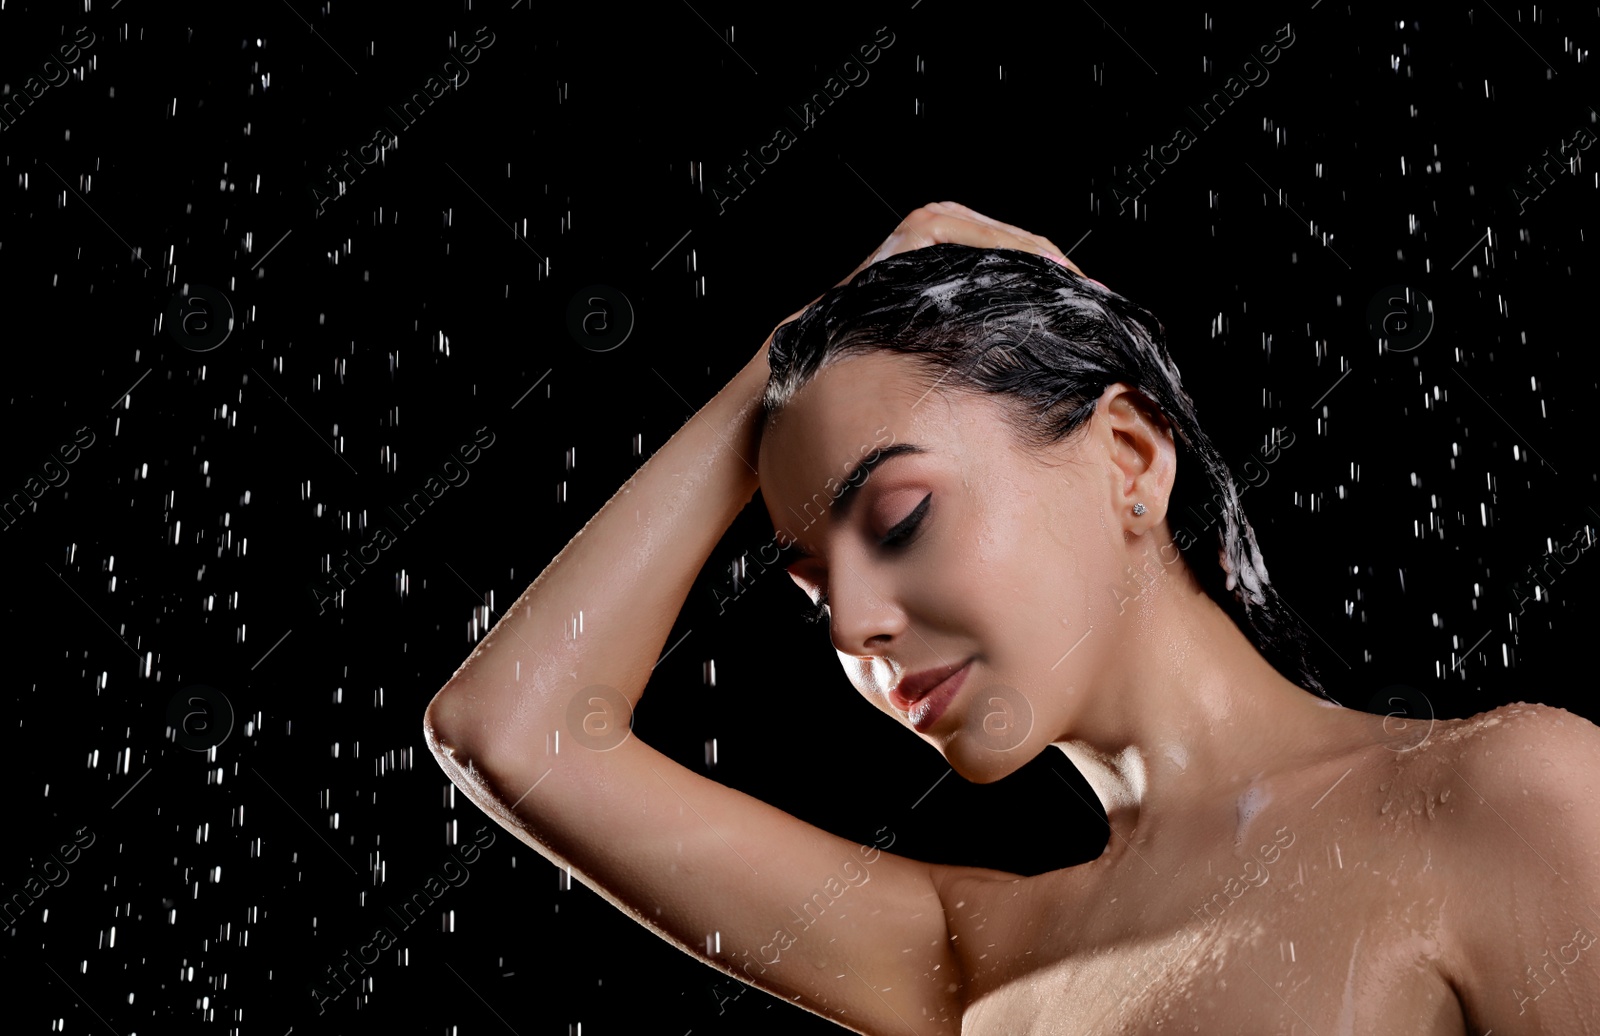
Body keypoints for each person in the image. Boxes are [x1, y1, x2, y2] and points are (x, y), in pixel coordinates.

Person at [424, 202, 1600, 1034]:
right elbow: (509, 729)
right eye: (812, 587)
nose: (855, 625)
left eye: (895, 518)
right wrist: (792, 354)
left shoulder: (1503, 799)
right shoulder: (969, 958)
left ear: (1130, 457)